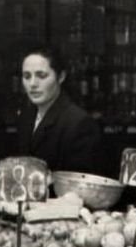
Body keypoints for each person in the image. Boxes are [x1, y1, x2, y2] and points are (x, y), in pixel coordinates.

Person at [16, 46, 100, 174]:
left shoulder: (79, 123)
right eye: (27, 76)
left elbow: (80, 184)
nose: (32, 84)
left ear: (61, 77)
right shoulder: (26, 116)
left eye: (41, 75)